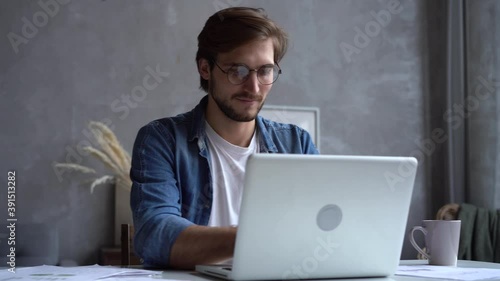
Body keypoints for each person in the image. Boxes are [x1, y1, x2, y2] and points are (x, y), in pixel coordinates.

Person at [130, 6, 319, 269]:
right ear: (205, 68)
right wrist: (253, 237)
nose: (253, 88)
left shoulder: (296, 144)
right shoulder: (162, 140)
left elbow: (321, 230)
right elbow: (154, 234)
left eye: (264, 71)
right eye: (238, 70)